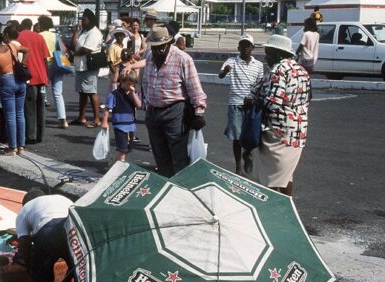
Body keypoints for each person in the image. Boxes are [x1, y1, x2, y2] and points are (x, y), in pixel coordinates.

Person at [140, 25, 207, 177]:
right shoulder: (149, 57)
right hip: (153, 111)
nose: (157, 51)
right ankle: (166, 181)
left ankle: (180, 186)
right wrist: (147, 103)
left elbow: (194, 88)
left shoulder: (182, 59)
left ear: (168, 44)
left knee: (178, 156)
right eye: (154, 47)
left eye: (160, 48)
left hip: (175, 111)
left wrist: (199, 113)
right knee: (160, 155)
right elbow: (146, 82)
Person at [252, 35, 311, 197]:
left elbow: (273, 103)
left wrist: (255, 99)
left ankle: (271, 207)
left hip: (277, 132)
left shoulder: (278, 70)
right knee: (286, 174)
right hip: (297, 132)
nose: (266, 58)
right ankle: (287, 205)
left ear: (278, 54)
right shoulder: (301, 70)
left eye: (268, 54)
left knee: (270, 177)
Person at [15, 189, 75, 282]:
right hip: (73, 229)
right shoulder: (61, 198)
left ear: (25, 203)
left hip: (49, 230)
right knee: (77, 266)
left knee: (37, 278)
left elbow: (24, 243)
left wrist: (30, 268)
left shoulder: (25, 209)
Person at [218, 35, 265, 175]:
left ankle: (248, 154)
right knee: (237, 137)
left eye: (248, 45)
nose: (245, 48)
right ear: (238, 47)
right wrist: (225, 71)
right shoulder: (232, 61)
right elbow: (221, 74)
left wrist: (254, 100)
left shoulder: (258, 65)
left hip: (251, 105)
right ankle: (238, 166)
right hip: (235, 103)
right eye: (242, 45)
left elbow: (260, 85)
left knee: (252, 135)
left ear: (252, 48)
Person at [0, 28, 29, 155]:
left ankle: (12, 147)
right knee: (20, 114)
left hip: (7, 82)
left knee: (10, 116)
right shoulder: (12, 46)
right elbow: (27, 50)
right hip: (20, 81)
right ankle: (21, 147)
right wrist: (23, 64)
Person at [17, 18, 50, 143]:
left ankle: (31, 135)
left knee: (30, 107)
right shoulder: (39, 37)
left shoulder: (19, 37)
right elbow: (45, 58)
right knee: (40, 106)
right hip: (41, 76)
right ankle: (40, 134)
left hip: (29, 77)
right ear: (31, 26)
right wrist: (46, 76)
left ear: (21, 25)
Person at [70, 9, 103, 128]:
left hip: (89, 66)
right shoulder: (83, 31)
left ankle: (97, 119)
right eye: (81, 19)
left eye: (84, 20)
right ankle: (81, 117)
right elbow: (73, 45)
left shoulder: (94, 32)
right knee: (82, 92)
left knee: (91, 91)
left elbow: (86, 49)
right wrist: (75, 32)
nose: (82, 22)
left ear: (90, 20)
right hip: (80, 65)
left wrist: (74, 54)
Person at [102, 70, 143, 162]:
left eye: (133, 84)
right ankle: (120, 165)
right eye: (128, 84)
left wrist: (133, 94)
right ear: (121, 82)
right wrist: (105, 122)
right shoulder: (114, 94)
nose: (131, 86)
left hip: (130, 125)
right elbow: (107, 108)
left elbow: (139, 105)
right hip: (120, 126)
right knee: (122, 149)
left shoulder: (133, 93)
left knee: (126, 148)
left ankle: (115, 162)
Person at [38, 16, 68, 129]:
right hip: (57, 64)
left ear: (41, 24)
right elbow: (63, 49)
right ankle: (62, 119)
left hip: (44, 65)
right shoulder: (55, 36)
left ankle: (40, 118)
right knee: (58, 93)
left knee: (42, 92)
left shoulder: (39, 36)